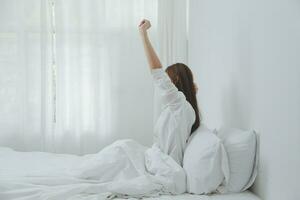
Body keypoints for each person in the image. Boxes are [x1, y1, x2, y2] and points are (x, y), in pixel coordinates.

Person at [139, 19, 200, 165]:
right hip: (157, 161)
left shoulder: (180, 104)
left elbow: (157, 73)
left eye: (169, 77)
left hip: (163, 166)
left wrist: (143, 34)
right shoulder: (181, 107)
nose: (166, 81)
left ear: (176, 79)